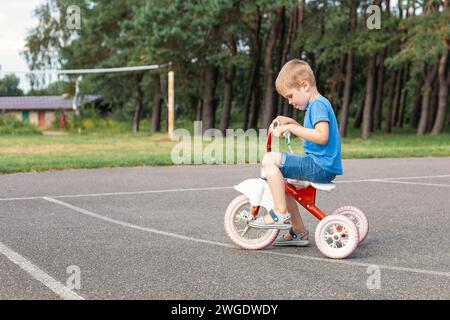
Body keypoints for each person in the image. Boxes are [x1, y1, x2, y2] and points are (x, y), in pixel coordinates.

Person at [249, 59, 343, 246]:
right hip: (320, 164)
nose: (290, 101)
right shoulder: (315, 106)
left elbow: (321, 136)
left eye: (290, 96)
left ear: (304, 85)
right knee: (284, 184)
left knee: (269, 160)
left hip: (319, 166)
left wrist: (291, 129)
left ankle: (280, 212)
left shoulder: (318, 105)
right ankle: (298, 231)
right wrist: (291, 122)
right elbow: (311, 136)